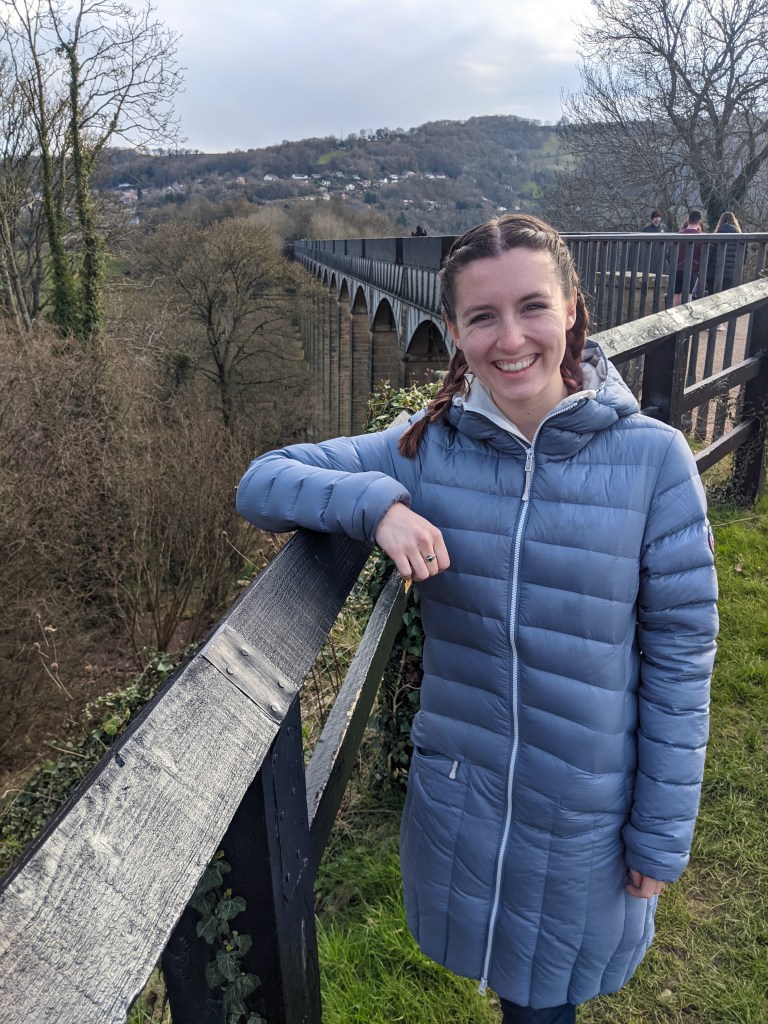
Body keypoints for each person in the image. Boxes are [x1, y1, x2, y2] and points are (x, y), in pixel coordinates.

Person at [236, 213, 718, 1024]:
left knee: (542, 1003)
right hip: (466, 801)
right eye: (482, 317)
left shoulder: (655, 462)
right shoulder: (429, 449)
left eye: (533, 306)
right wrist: (377, 504)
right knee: (511, 989)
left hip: (586, 816)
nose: (511, 339)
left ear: (573, 310)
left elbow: (681, 661)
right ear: (455, 332)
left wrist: (661, 831)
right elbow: (262, 481)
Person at [706, 210, 743, 296]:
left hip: (713, 273)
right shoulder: (740, 237)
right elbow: (743, 257)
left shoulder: (715, 235)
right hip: (731, 273)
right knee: (728, 298)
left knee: (711, 298)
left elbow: (708, 256)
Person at [673, 208, 704, 305]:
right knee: (688, 295)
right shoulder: (701, 237)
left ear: (688, 219)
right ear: (699, 221)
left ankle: (672, 316)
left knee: (676, 294)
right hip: (692, 269)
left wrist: (674, 264)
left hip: (677, 269)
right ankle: (686, 317)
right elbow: (702, 255)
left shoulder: (679, 235)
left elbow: (670, 253)